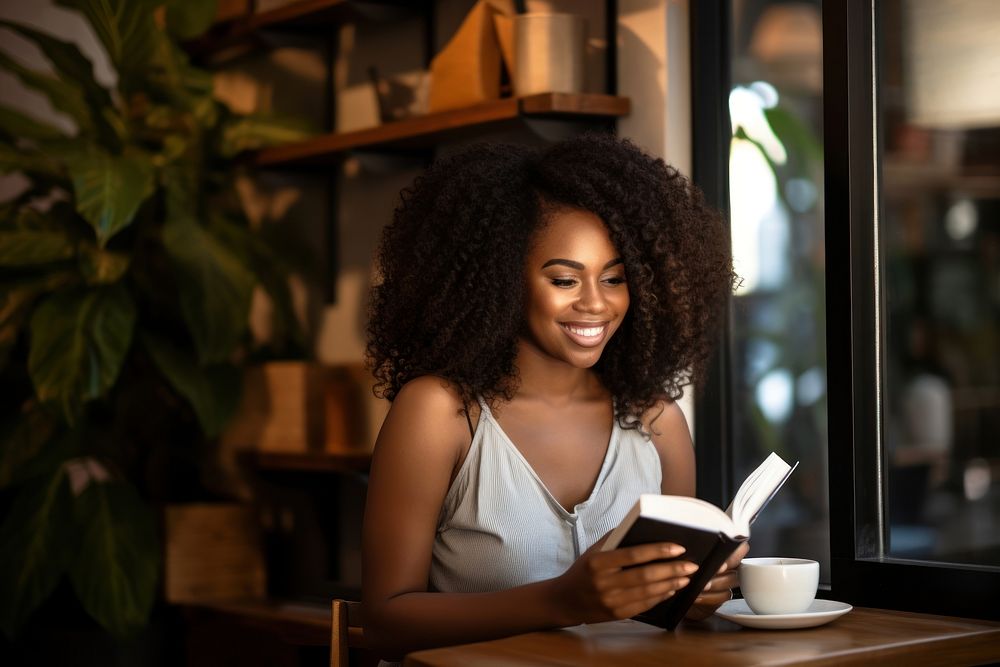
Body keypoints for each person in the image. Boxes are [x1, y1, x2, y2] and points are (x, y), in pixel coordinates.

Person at [362, 133, 744, 662]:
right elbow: (384, 622)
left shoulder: (655, 420)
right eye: (565, 279)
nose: (595, 303)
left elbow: (662, 621)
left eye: (615, 278)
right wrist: (561, 600)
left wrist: (692, 596)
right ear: (498, 279)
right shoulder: (440, 414)